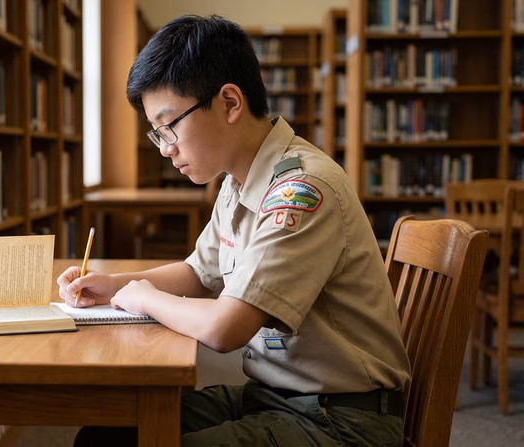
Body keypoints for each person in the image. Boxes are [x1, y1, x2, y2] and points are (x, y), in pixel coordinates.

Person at [57, 14, 411, 447]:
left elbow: (226, 328)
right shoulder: (236, 182)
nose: (166, 148)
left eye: (169, 126)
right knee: (105, 435)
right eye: (156, 134)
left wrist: (145, 297)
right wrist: (113, 287)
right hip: (275, 396)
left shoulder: (301, 189)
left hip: (340, 419)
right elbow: (198, 275)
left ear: (229, 102)